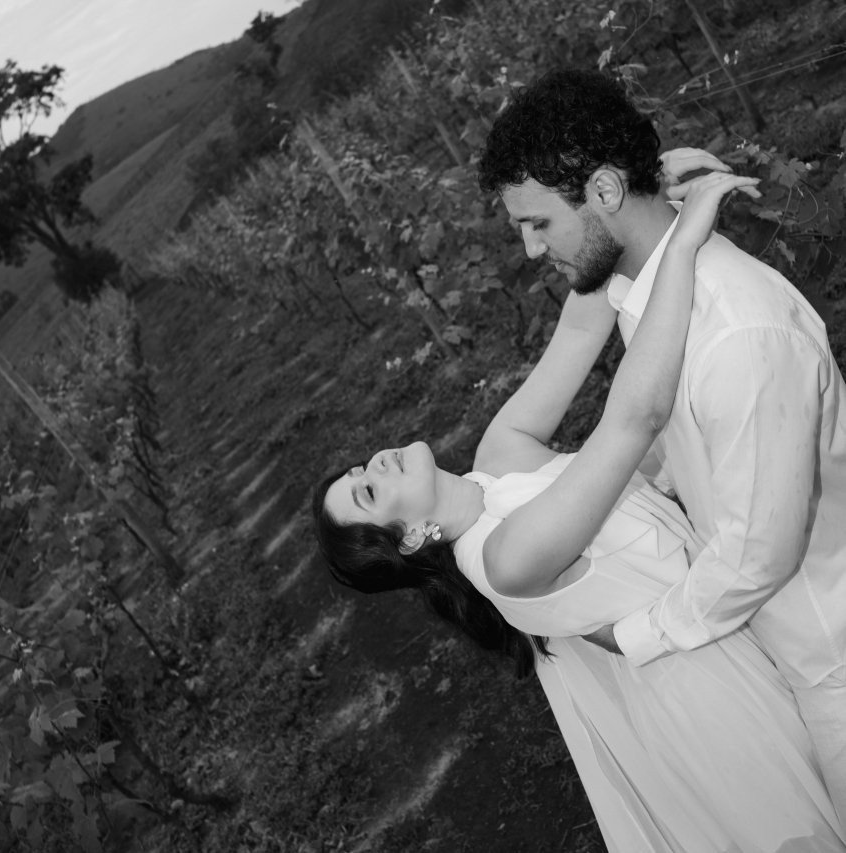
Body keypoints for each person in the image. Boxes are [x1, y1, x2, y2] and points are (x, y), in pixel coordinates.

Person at [313, 173, 846, 851]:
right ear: (413, 536)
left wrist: (634, 202)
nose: (374, 464)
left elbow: (583, 321)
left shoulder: (497, 455)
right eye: (367, 492)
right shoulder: (505, 559)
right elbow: (633, 418)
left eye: (357, 469)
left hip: (735, 618)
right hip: (715, 695)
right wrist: (682, 245)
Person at [477, 67, 846, 827]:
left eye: (538, 222)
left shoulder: (735, 331)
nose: (529, 248)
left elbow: (759, 552)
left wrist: (634, 633)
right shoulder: (647, 303)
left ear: (605, 190)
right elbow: (691, 449)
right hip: (791, 654)